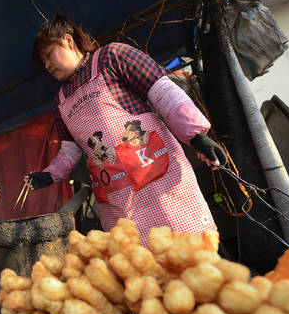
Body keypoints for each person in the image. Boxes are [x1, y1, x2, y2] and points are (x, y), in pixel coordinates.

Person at [27, 15, 227, 244]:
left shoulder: (112, 57)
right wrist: (50, 174)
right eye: (43, 62)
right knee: (137, 267)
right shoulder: (60, 102)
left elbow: (162, 92)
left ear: (68, 41)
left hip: (157, 180)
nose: (47, 66)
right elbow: (70, 150)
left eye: (49, 55)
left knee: (189, 253)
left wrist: (197, 136)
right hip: (116, 200)